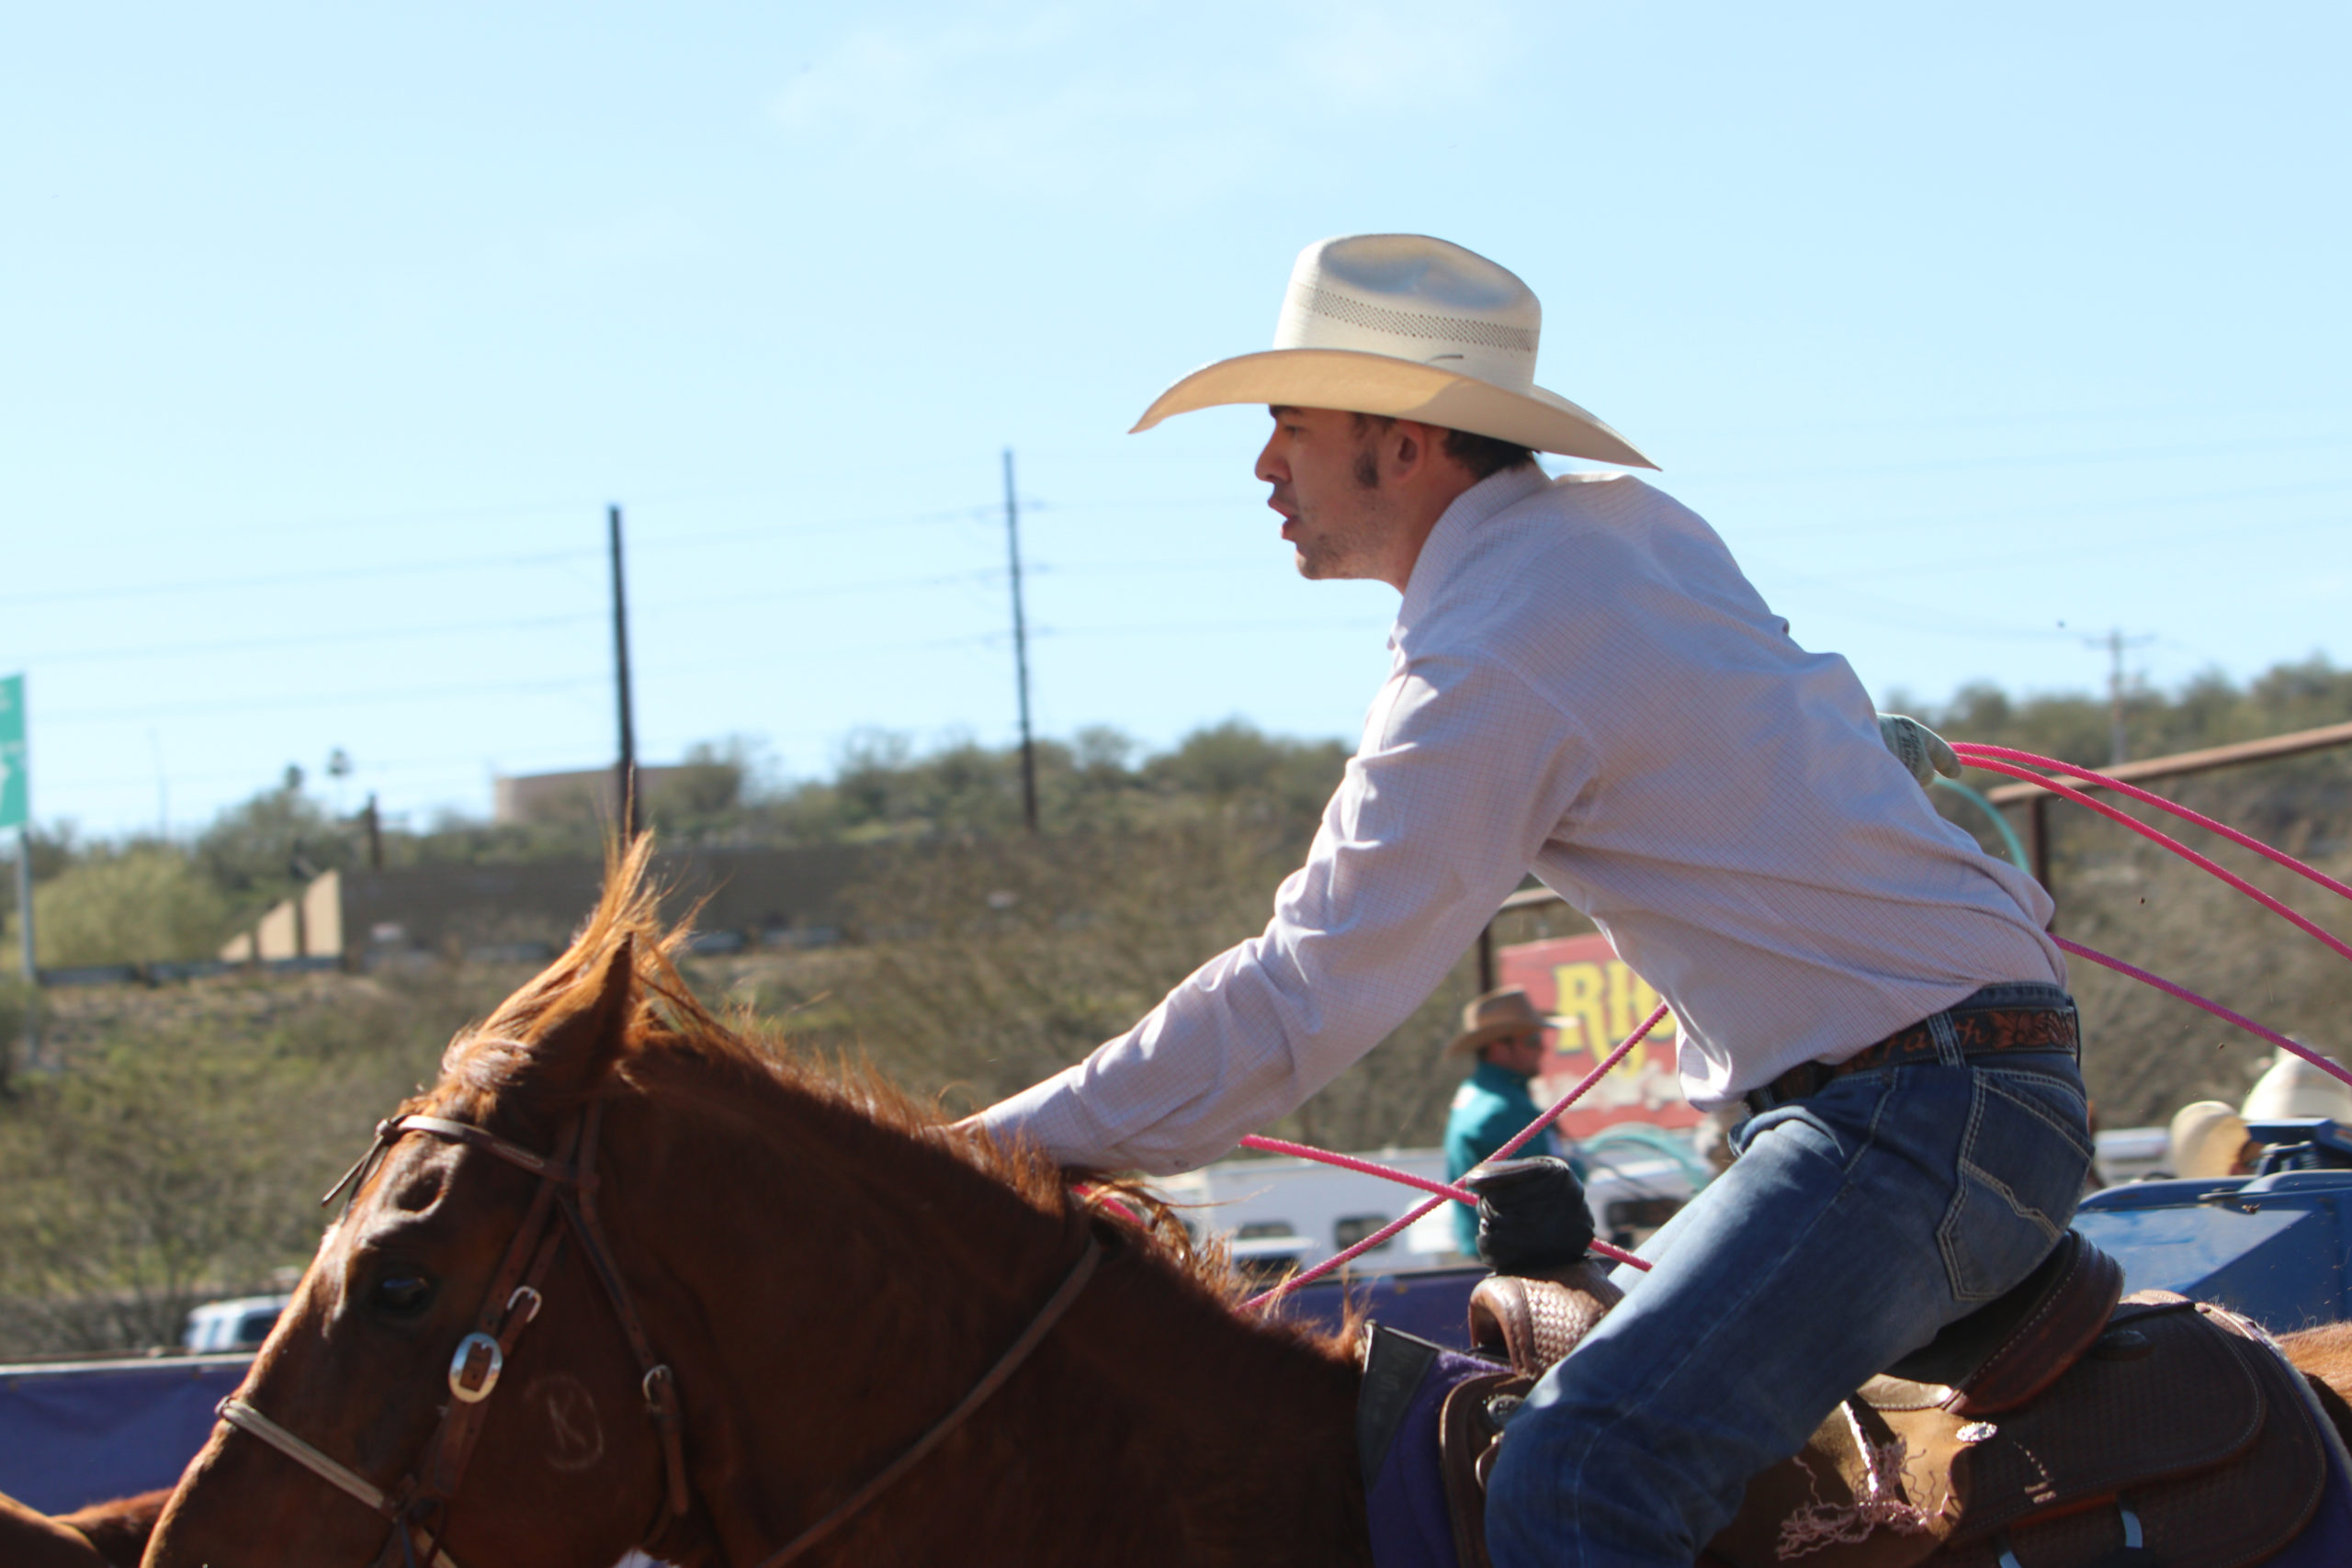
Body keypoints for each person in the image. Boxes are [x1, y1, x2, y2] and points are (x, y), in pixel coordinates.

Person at [973, 233, 2090, 1568]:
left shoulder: (1491, 650)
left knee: (1576, 1470)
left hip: (1914, 1107)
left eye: (1290, 425)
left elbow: (1299, 995)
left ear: (1400, 438)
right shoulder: (1625, 530)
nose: (1264, 463)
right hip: (1949, 1084)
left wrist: (994, 1149)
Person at [1443, 987, 1571, 1258]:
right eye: (1533, 1039)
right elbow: (1544, 1193)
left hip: (1493, 1256)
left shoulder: (1474, 1096)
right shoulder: (1504, 1112)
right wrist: (1578, 1167)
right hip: (1522, 1261)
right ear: (1499, 1048)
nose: (1542, 1048)